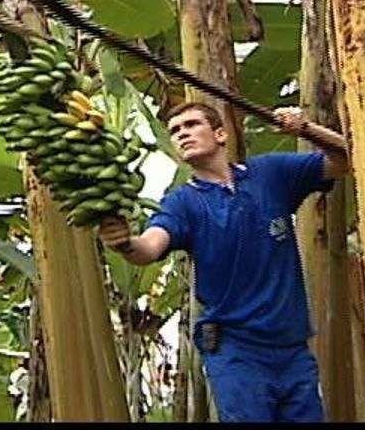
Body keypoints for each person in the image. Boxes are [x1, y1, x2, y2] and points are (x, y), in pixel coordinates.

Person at [98, 101, 351, 422]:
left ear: (220, 134)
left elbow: (347, 158)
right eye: (175, 131)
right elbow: (149, 247)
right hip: (236, 351)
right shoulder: (183, 202)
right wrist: (124, 243)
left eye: (191, 125)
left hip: (292, 349)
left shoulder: (270, 174)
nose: (182, 134)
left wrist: (306, 128)